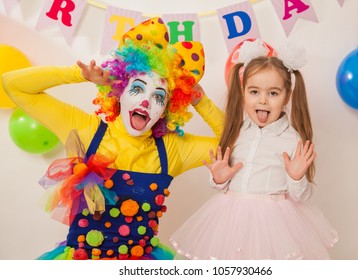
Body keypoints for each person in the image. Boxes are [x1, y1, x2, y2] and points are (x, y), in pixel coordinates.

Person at [2, 17, 223, 260]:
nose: (147, 101)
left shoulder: (173, 150)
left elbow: (235, 143)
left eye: (159, 97)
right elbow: (13, 85)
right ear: (119, 92)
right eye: (137, 89)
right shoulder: (86, 130)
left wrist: (201, 101)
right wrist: (79, 75)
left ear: (167, 109)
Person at [170, 39, 338, 260]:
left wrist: (296, 177)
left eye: (273, 93)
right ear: (243, 93)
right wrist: (219, 180)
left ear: (287, 96)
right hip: (231, 220)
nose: (263, 101)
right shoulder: (236, 131)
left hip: (274, 224)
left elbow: (302, 196)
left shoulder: (291, 139)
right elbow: (222, 184)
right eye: (254, 92)